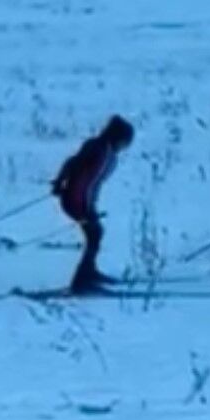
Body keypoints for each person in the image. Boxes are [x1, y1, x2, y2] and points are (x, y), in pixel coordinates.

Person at [52, 115, 136, 294]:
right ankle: (82, 280)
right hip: (75, 199)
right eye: (125, 142)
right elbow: (73, 164)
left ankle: (89, 272)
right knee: (94, 234)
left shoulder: (106, 150)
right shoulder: (97, 148)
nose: (125, 147)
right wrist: (60, 182)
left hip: (83, 200)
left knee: (95, 234)